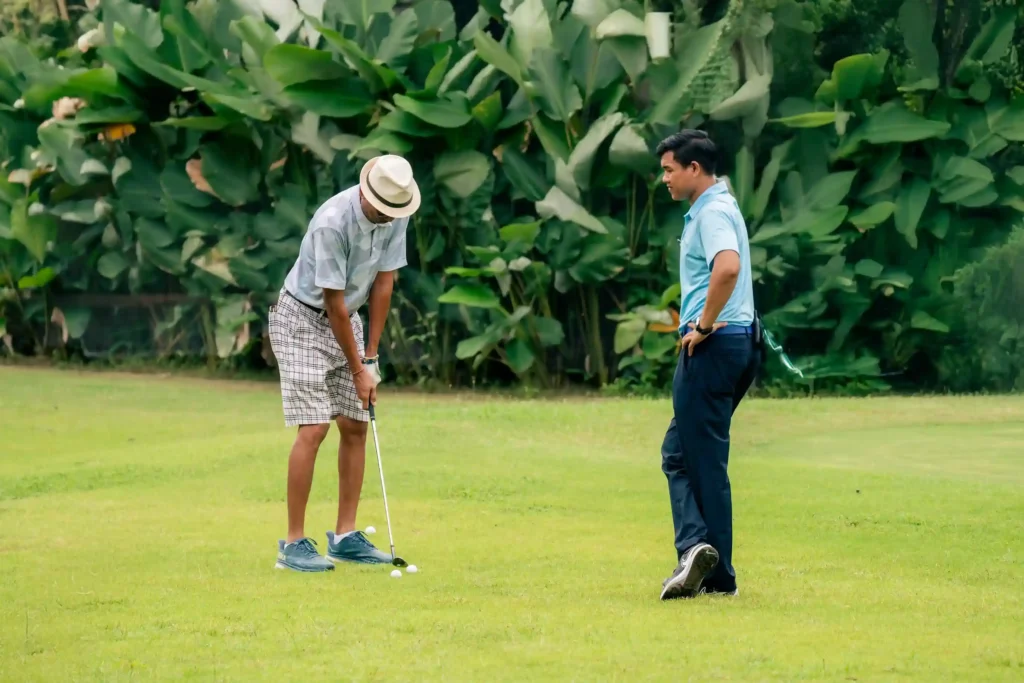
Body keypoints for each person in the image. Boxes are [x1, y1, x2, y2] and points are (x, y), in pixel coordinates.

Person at [268, 154, 420, 573]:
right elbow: (332, 302)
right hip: (302, 319)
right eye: (385, 209)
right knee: (314, 427)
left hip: (345, 318)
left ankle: (346, 537)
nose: (390, 216)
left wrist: (370, 358)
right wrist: (357, 371)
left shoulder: (396, 210)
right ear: (367, 193)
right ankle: (293, 544)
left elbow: (384, 283)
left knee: (355, 423)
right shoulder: (332, 221)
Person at [654, 130, 761, 600]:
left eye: (669, 170)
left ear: (694, 169)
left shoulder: (713, 211)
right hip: (736, 343)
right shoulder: (721, 206)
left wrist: (702, 324)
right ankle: (704, 559)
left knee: (702, 460)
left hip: (713, 346)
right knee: (683, 453)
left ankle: (708, 561)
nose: (665, 179)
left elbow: (728, 267)